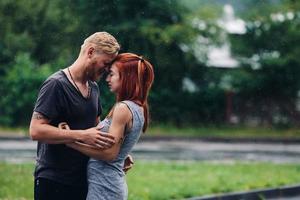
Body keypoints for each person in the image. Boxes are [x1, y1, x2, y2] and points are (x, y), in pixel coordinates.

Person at [29, 32, 126, 200]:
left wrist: (118, 151)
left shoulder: (93, 88)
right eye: (106, 62)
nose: (107, 69)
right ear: (90, 52)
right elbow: (36, 131)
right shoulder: (56, 84)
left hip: (82, 181)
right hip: (54, 181)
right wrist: (81, 135)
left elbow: (98, 130)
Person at [60, 53, 154, 200]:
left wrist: (71, 142)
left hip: (105, 187)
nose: (107, 79)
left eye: (112, 74)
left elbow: (109, 154)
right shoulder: (138, 107)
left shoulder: (123, 108)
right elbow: (117, 147)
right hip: (108, 184)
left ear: (127, 77)